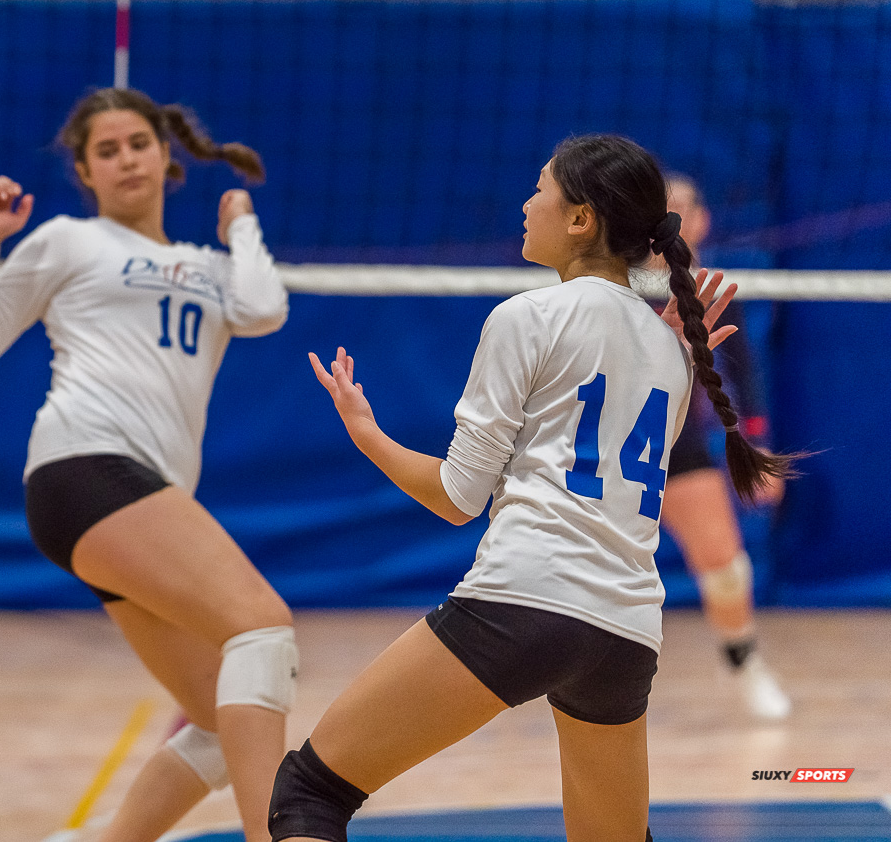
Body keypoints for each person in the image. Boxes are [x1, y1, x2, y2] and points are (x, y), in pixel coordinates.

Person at [267, 135, 797, 842]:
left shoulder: (527, 316)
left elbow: (457, 497)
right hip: (626, 632)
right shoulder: (671, 352)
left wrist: (369, 435)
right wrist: (662, 345)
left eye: (540, 188)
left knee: (308, 792)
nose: (525, 203)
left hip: (525, 600)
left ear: (580, 219)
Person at [0, 88, 293, 842]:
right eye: (107, 150)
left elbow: (263, 309)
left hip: (139, 489)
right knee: (262, 630)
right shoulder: (69, 241)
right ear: (84, 171)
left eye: (138, 144)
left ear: (166, 156)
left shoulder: (208, 266)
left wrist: (241, 225)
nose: (126, 159)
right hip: (85, 463)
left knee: (219, 720)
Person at [656, 174, 790, 720]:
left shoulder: (711, 290)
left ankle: (745, 665)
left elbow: (743, 377)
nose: (673, 217)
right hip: (598, 451)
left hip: (677, 449)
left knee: (727, 568)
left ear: (703, 220)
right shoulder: (609, 286)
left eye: (683, 207)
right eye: (661, 208)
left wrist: (756, 449)